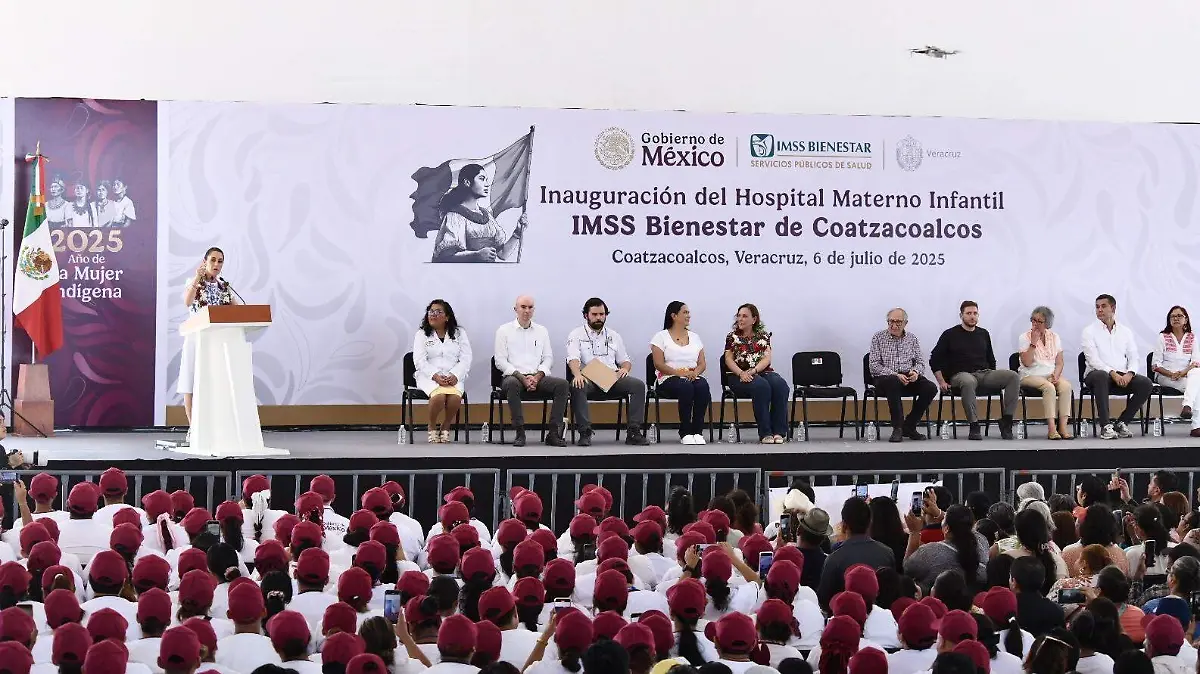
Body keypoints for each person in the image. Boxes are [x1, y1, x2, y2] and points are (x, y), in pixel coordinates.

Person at [930, 301, 1020, 440]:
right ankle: (974, 425)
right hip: (959, 376)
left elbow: (991, 359)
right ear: (961, 315)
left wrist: (992, 376)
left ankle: (1006, 421)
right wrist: (941, 381)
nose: (972, 316)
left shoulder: (983, 333)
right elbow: (934, 359)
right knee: (968, 381)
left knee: (1013, 376)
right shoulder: (950, 334)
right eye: (968, 313)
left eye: (975, 313)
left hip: (983, 373)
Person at [566, 297, 650, 446]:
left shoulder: (614, 335)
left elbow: (625, 359)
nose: (599, 318)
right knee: (577, 385)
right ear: (586, 315)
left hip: (612, 379)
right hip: (589, 379)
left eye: (602, 314)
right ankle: (584, 432)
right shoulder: (576, 334)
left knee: (638, 385)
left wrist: (625, 368)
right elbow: (572, 359)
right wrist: (577, 374)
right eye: (595, 314)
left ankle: (634, 431)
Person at [178, 247, 242, 441]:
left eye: (220, 261)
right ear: (204, 261)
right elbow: (187, 302)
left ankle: (215, 427)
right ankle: (193, 427)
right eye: (213, 260)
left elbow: (238, 310)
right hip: (196, 338)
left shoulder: (224, 287)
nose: (216, 264)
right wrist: (197, 279)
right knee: (191, 381)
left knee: (215, 382)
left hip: (216, 341)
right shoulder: (194, 282)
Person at [494, 295, 569, 447]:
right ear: (515, 309)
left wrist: (537, 376)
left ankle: (553, 433)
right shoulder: (504, 330)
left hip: (537, 377)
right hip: (514, 377)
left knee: (562, 385)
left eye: (530, 307)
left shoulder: (541, 331)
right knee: (512, 384)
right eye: (523, 307)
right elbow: (500, 361)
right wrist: (522, 377)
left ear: (534, 310)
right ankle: (520, 432)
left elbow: (548, 358)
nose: (526, 311)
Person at [1081, 294, 1153, 439]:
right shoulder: (1089, 331)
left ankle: (1122, 423)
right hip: (1096, 375)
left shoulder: (1125, 331)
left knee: (1145, 383)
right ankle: (1105, 426)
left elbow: (1134, 356)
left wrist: (1130, 373)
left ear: (1113, 308)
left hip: (1121, 376)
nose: (1099, 310)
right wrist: (1112, 373)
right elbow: (1092, 359)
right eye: (1097, 307)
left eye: (1103, 306)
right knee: (1101, 376)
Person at [431, 163, 527, 262]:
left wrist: (517, 233)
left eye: (486, 180)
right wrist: (476, 255)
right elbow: (446, 257)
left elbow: (503, 254)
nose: (486, 184)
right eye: (481, 179)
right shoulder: (455, 216)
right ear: (467, 182)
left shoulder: (487, 216)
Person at [723, 304, 790, 444]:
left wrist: (753, 371)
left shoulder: (764, 336)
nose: (740, 319)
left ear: (754, 319)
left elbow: (767, 358)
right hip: (737, 375)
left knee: (780, 385)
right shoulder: (732, 337)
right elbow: (728, 359)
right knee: (761, 386)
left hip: (760, 371)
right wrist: (741, 373)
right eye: (739, 316)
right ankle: (765, 432)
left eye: (745, 316)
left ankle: (779, 431)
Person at [868, 308, 937, 442]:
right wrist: (894, 374)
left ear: (905, 323)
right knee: (893, 381)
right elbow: (874, 366)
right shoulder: (878, 337)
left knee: (930, 388)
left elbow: (920, 363)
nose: (894, 325)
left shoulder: (912, 338)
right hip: (885, 378)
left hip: (907, 376)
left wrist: (915, 372)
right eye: (891, 321)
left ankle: (909, 425)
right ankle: (897, 427)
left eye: (898, 322)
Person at [817, 498, 896, 609]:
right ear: (870, 523)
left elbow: (823, 601)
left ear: (844, 525)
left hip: (845, 619)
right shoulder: (887, 553)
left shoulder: (834, 559)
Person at [651, 301, 711, 445]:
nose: (688, 315)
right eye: (685, 312)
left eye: (688, 312)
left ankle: (697, 431)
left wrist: (695, 373)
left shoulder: (695, 337)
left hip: (692, 375)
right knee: (686, 386)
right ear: (673, 315)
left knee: (702, 386)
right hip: (668, 378)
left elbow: (702, 363)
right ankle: (685, 431)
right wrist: (680, 374)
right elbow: (658, 364)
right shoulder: (661, 337)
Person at [413, 299, 472, 444]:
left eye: (438, 312)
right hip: (429, 376)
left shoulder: (459, 333)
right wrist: (435, 376)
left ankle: (446, 424)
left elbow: (466, 357)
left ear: (447, 317)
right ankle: (432, 425)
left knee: (454, 398)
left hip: (453, 376)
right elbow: (419, 360)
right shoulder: (421, 334)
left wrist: (456, 375)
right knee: (439, 397)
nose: (433, 314)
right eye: (431, 311)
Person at [1016, 306, 1074, 440]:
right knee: (1049, 387)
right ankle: (1052, 429)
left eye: (1039, 321)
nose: (1035, 324)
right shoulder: (1024, 337)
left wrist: (1056, 375)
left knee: (1066, 386)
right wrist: (1033, 343)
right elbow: (1027, 363)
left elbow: (1059, 362)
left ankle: (1063, 428)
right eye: (1033, 320)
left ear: (1047, 323)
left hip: (1050, 374)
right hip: (1029, 375)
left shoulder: (1055, 337)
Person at [1150, 306, 1200, 434]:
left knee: (1196, 373)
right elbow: (1155, 365)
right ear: (1169, 320)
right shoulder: (1163, 337)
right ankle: (1196, 426)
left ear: (1186, 319)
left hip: (1187, 375)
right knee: (1197, 386)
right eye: (1173, 316)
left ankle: (1188, 406)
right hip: (1166, 376)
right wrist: (1171, 374)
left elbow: (1196, 362)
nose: (1176, 318)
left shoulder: (1192, 338)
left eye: (1179, 316)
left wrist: (1183, 373)